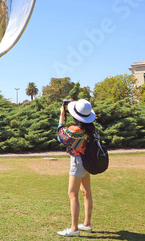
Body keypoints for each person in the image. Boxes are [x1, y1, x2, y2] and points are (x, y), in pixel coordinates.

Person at [56, 99, 96, 237]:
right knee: (86, 193)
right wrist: (77, 103)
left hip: (78, 161)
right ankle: (87, 224)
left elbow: (60, 135)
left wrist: (62, 114)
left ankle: (74, 228)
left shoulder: (75, 130)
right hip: (88, 161)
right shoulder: (90, 127)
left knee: (73, 194)